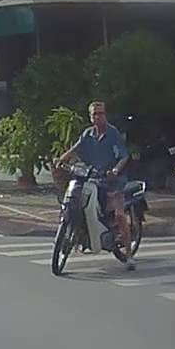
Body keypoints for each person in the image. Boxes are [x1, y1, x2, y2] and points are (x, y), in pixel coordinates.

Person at [55, 100, 136, 270]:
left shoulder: (113, 133)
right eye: (94, 114)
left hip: (114, 182)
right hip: (93, 179)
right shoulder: (88, 134)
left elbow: (124, 156)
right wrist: (61, 160)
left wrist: (115, 170)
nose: (98, 117)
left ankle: (129, 255)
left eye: (101, 113)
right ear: (90, 117)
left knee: (119, 215)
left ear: (105, 115)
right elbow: (75, 149)